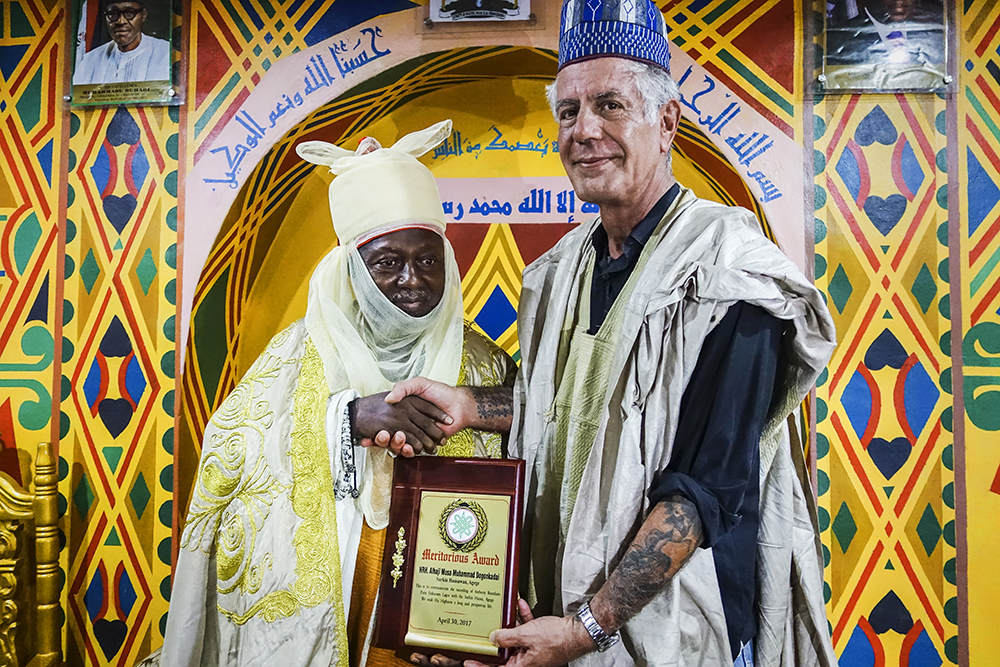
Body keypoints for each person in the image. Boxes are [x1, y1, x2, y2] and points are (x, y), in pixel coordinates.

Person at [387, 2, 839, 666]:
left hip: (682, 632)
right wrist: (469, 406)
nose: (584, 130)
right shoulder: (553, 275)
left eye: (609, 106)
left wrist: (581, 629)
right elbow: (568, 408)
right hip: (556, 614)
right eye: (568, 113)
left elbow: (702, 490)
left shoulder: (731, 275)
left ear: (667, 122)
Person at [150, 120, 516, 667]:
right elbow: (228, 452)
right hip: (338, 597)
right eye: (388, 263)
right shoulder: (296, 355)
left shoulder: (484, 364)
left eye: (428, 260)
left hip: (444, 603)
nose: (413, 280)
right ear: (353, 273)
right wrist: (345, 419)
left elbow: (542, 446)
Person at [73, 0, 170, 85]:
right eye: (113, 14)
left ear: (143, 15)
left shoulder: (166, 54)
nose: (121, 21)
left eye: (130, 13)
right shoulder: (91, 60)